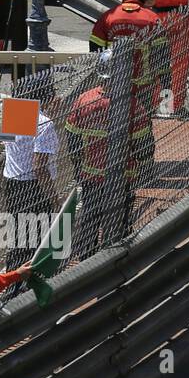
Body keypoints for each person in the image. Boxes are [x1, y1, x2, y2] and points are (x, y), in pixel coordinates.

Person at [64, 55, 153, 259]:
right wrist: (145, 166)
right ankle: (114, 260)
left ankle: (86, 260)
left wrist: (79, 166)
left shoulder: (84, 100)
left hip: (90, 174)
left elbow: (72, 138)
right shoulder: (131, 104)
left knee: (90, 218)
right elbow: (143, 145)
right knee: (119, 222)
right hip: (122, 177)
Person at [0, 70, 61, 272]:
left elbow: (12, 147)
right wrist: (54, 198)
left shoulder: (15, 111)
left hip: (12, 181)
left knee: (17, 238)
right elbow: (39, 167)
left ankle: (12, 281)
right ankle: (29, 283)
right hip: (33, 187)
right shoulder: (45, 124)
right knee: (36, 242)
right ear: (47, 95)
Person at [89, 0, 169, 114]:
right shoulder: (152, 19)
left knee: (112, 122)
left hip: (112, 84)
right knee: (142, 127)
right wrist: (166, 88)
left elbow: (95, 52)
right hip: (142, 88)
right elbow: (162, 58)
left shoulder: (108, 17)